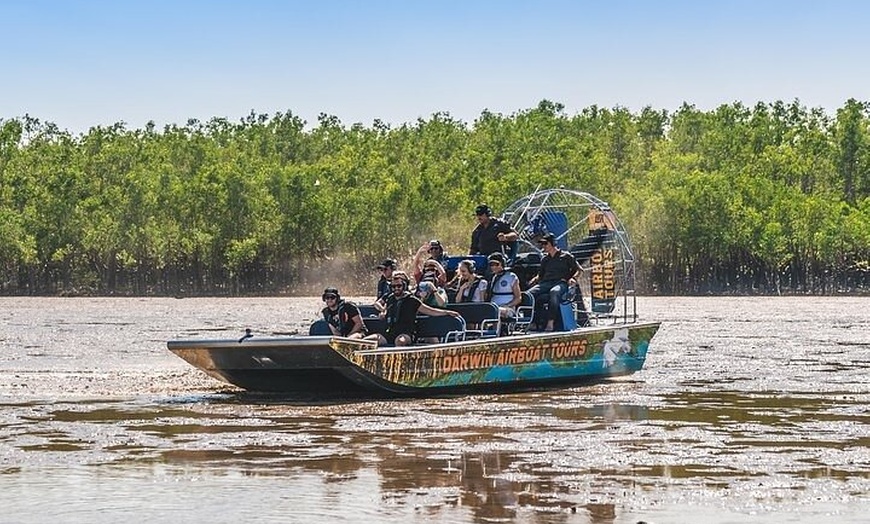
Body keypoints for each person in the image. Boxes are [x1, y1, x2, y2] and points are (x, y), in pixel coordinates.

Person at [366, 272, 461, 347]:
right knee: (369, 340)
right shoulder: (390, 299)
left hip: (406, 333)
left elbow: (430, 311)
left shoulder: (411, 300)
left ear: (403, 286)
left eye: (399, 286)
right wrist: (383, 314)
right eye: (394, 287)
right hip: (390, 332)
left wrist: (447, 312)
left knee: (400, 341)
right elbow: (386, 311)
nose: (396, 288)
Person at [527, 233, 580, 331]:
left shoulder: (566, 256)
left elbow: (578, 270)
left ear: (552, 244)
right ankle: (533, 321)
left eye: (545, 244)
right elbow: (541, 275)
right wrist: (535, 279)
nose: (543, 246)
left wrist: (573, 278)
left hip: (561, 282)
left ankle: (550, 323)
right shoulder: (545, 259)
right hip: (546, 283)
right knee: (529, 294)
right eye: (542, 244)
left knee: (554, 292)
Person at [485, 253, 521, 318]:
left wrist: (507, 305)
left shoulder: (511, 276)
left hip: (508, 308)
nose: (493, 267)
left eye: (496, 264)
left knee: (496, 311)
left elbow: (518, 298)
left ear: (502, 264)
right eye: (491, 265)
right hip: (493, 306)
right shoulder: (492, 278)